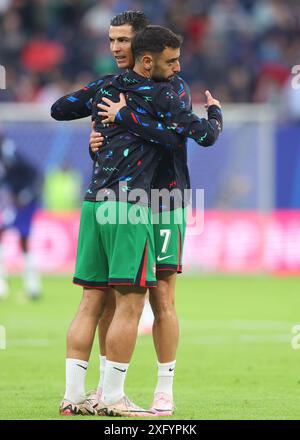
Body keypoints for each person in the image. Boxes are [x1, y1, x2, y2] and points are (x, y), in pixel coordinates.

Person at [53, 23, 222, 417]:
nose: (116, 47)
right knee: (116, 301)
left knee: (159, 298)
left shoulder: (170, 87)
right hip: (133, 203)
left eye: (124, 40)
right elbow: (197, 134)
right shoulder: (117, 87)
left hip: (162, 199)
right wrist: (95, 135)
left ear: (143, 48)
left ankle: (162, 389)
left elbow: (175, 138)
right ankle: (107, 393)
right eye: (111, 40)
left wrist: (124, 118)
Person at [0, 132, 42, 300]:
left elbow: (30, 172)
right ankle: (31, 286)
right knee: (19, 239)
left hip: (24, 201)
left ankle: (32, 285)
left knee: (22, 239)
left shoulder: (8, 152)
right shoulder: (8, 151)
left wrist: (25, 194)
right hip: (18, 200)